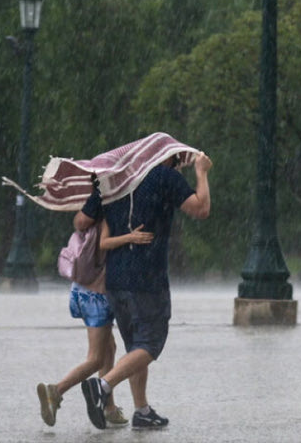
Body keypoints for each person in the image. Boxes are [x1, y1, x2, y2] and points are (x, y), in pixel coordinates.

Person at [81, 151, 212, 429]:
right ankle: (102, 388)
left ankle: (142, 411)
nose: (177, 166)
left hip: (115, 279)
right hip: (147, 279)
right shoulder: (165, 176)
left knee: (134, 347)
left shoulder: (114, 180)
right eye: (176, 161)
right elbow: (201, 208)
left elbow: (81, 221)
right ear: (167, 159)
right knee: (150, 344)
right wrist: (201, 172)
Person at [35, 182, 148, 429]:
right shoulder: (110, 212)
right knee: (96, 358)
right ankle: (56, 391)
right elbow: (103, 245)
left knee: (109, 347)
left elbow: (81, 224)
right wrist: (131, 237)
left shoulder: (90, 212)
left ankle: (108, 408)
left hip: (82, 288)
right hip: (97, 294)